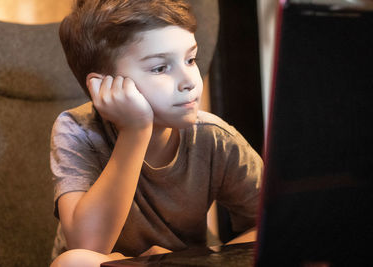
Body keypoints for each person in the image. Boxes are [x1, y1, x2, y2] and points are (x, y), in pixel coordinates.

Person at [49, 0, 263, 266]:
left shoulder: (213, 137)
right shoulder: (76, 130)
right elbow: (87, 244)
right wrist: (135, 131)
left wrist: (192, 260)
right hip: (106, 261)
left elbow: (275, 224)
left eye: (190, 59)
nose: (189, 81)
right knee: (73, 262)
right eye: (160, 68)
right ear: (103, 87)